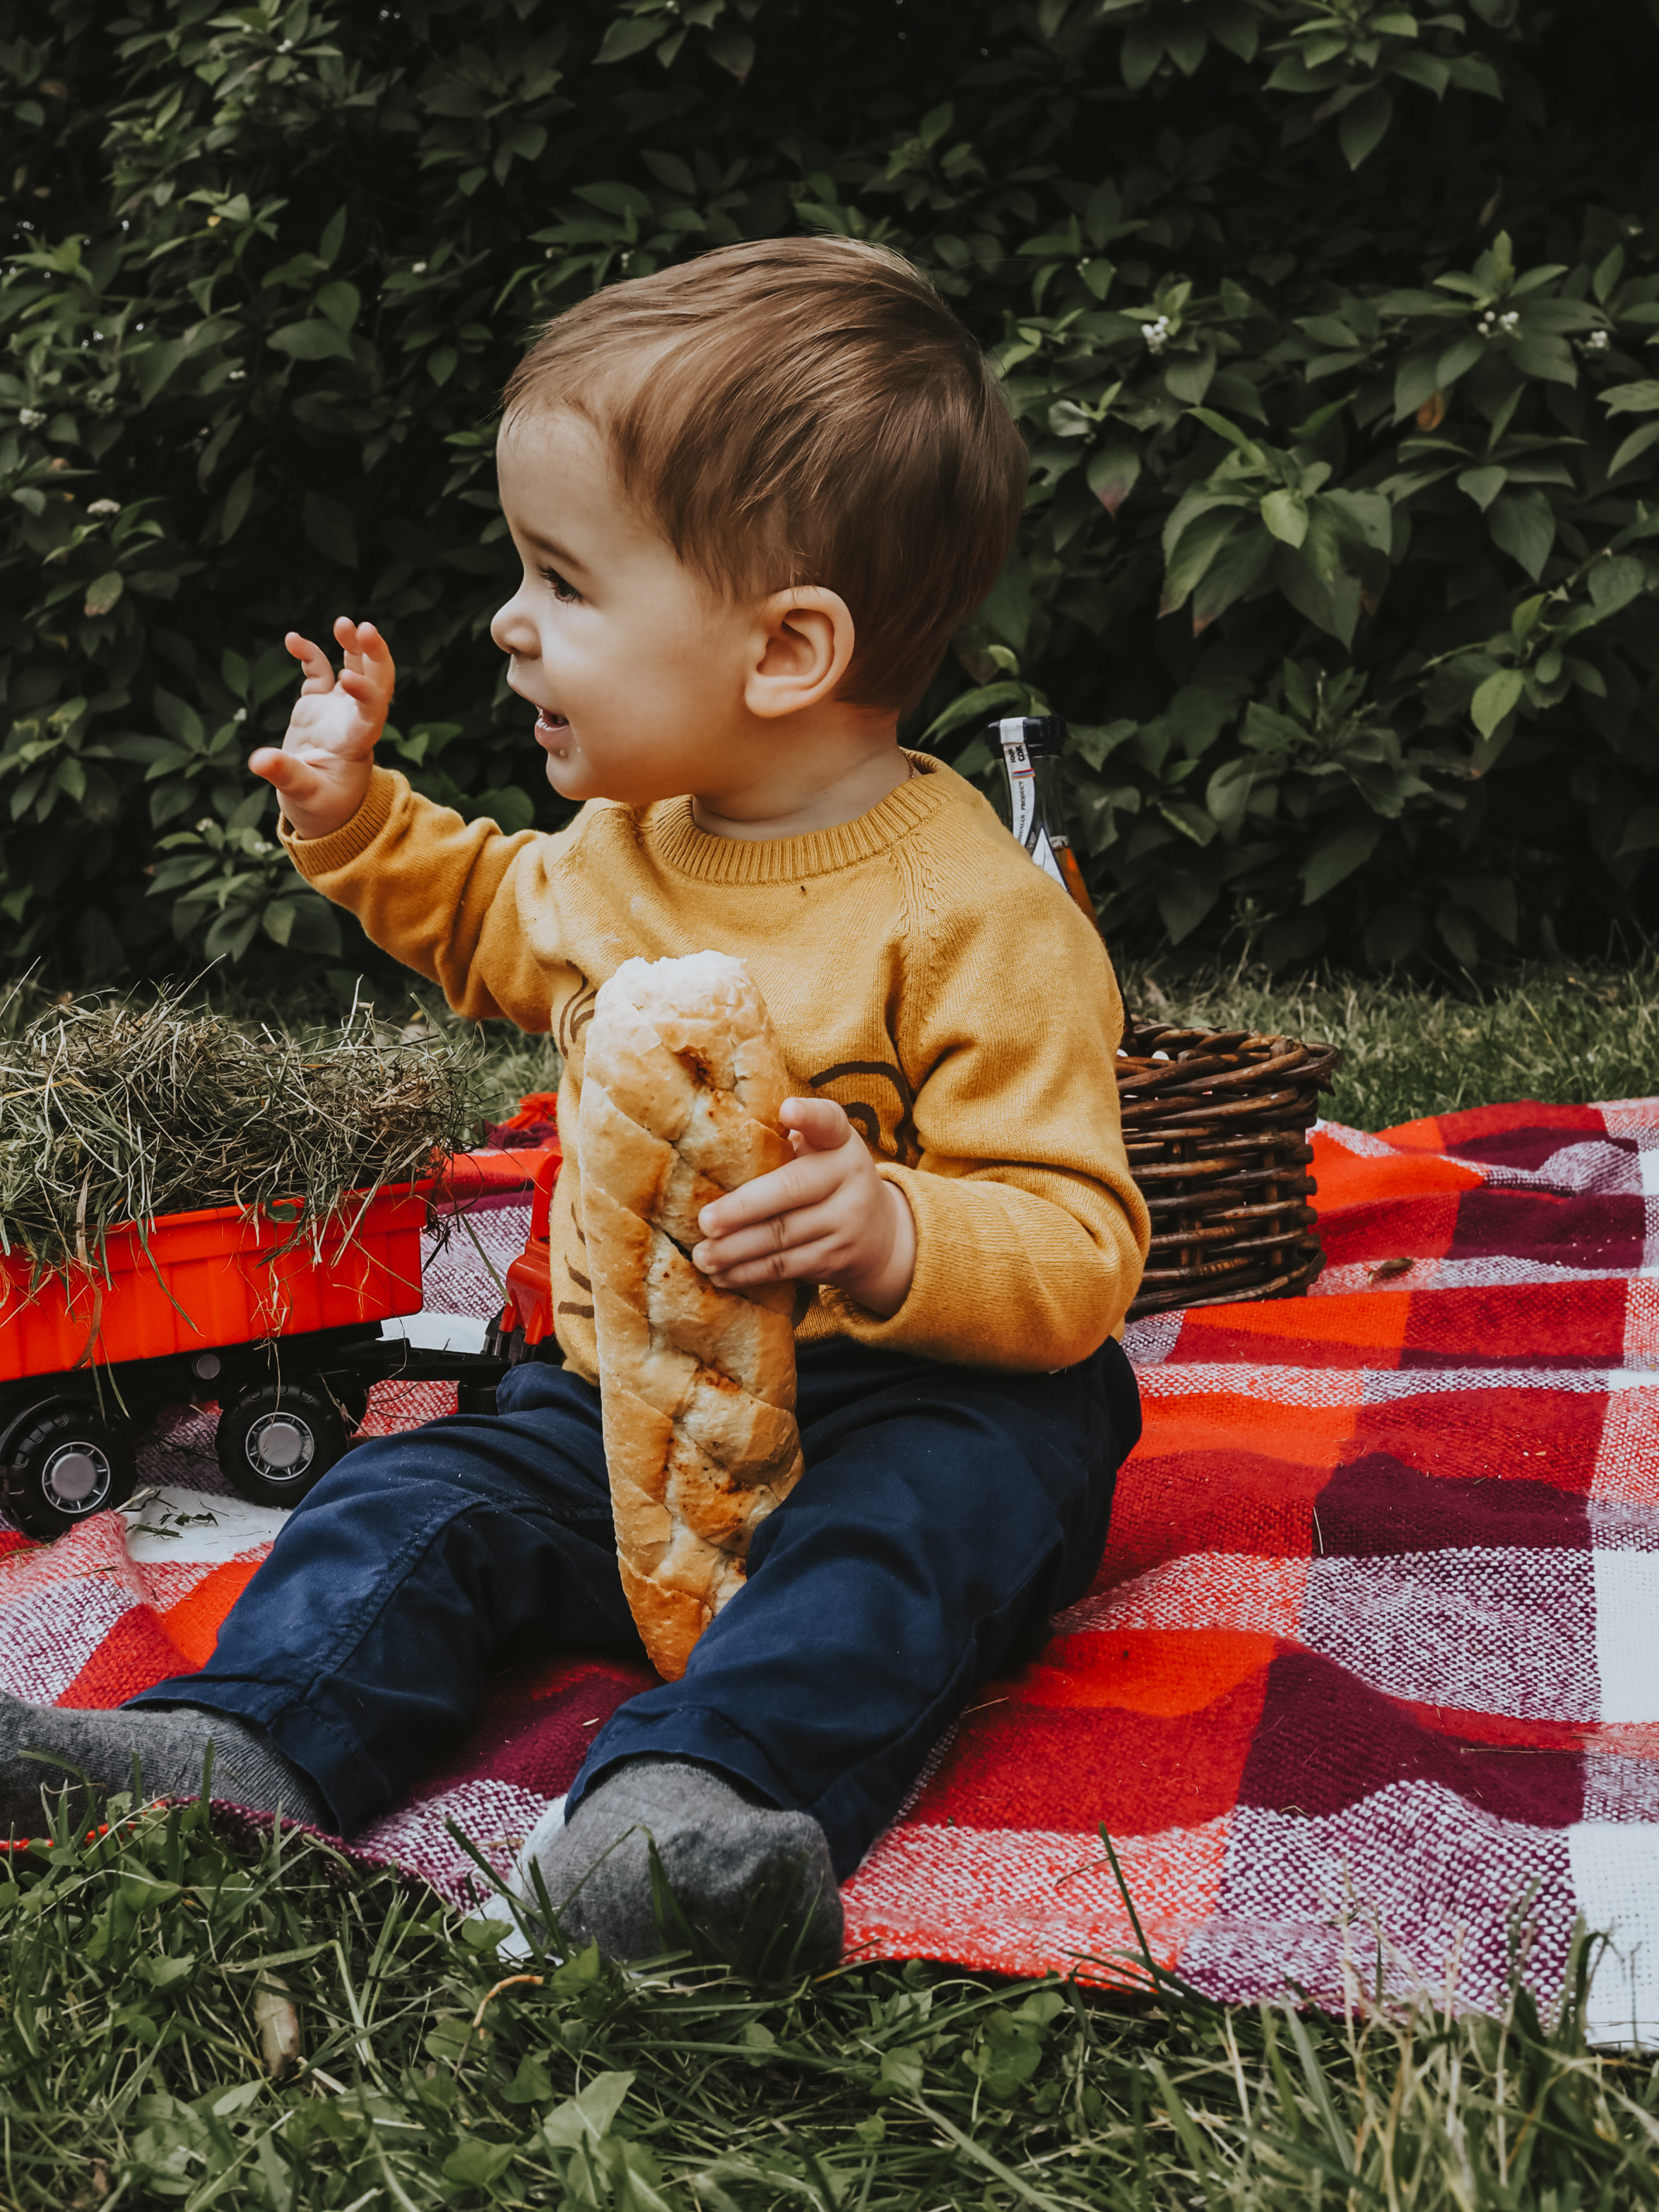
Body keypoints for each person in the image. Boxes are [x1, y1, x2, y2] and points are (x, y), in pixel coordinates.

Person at [0, 239, 1149, 1969]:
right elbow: (476, 913)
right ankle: (243, 1744)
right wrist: (350, 814)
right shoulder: (622, 856)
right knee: (409, 1498)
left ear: (784, 649)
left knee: (900, 1555)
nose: (507, 624)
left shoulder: (980, 916)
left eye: (563, 581)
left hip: (925, 1404)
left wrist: (896, 1225)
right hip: (624, 1413)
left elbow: (1081, 1246)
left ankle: (684, 1812)